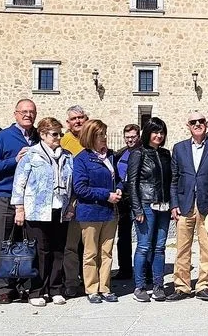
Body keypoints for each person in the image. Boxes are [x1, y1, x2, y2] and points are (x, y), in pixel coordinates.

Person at [11, 117, 72, 307]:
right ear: (43, 135)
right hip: (37, 210)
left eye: (60, 134)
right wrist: (19, 208)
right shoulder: (31, 155)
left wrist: (71, 205)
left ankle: (55, 289)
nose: (58, 138)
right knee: (40, 251)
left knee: (58, 250)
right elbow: (19, 183)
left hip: (60, 209)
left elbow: (71, 183)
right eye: (54, 134)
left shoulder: (67, 156)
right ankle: (36, 290)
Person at [0, 98, 39, 304]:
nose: (28, 115)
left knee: (26, 243)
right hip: (5, 197)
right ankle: (4, 288)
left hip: (31, 199)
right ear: (15, 114)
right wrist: (14, 160)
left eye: (31, 112)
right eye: (23, 111)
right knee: (4, 242)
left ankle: (24, 285)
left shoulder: (38, 137)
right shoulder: (3, 136)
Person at [169, 111, 208, 301]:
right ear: (188, 125)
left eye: (201, 121)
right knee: (182, 247)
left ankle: (204, 285)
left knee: (206, 247)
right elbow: (174, 179)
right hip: (184, 204)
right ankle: (182, 286)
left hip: (207, 205)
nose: (197, 124)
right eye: (193, 122)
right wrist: (174, 204)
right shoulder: (179, 148)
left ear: (206, 124)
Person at [72, 120, 121, 304]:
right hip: (90, 212)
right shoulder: (82, 159)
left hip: (109, 212)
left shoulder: (110, 156)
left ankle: (105, 287)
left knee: (107, 252)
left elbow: (118, 178)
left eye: (105, 134)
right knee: (91, 253)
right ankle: (92, 289)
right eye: (100, 134)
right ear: (91, 136)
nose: (105, 138)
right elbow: (80, 188)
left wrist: (120, 188)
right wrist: (106, 195)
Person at [125, 117, 172, 302]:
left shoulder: (165, 154)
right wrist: (137, 209)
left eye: (161, 132)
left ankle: (158, 285)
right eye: (155, 132)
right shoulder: (138, 154)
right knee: (144, 246)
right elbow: (132, 183)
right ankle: (140, 286)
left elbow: (170, 180)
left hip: (164, 205)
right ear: (148, 133)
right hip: (146, 204)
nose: (159, 135)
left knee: (160, 247)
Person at [60, 105, 88, 298]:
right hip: (72, 200)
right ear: (68, 123)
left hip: (90, 199)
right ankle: (71, 281)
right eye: (74, 119)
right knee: (71, 245)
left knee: (89, 245)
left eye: (81, 117)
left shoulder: (92, 139)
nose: (78, 121)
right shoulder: (63, 142)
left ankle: (89, 279)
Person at [113, 123, 140, 282]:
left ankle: (145, 271)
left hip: (139, 198)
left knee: (144, 237)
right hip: (123, 199)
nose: (130, 140)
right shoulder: (120, 153)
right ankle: (125, 270)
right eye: (127, 137)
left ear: (139, 136)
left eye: (133, 137)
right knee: (123, 236)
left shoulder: (144, 152)